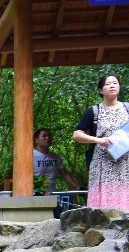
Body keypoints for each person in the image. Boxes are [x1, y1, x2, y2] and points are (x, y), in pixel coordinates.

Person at [74, 73, 129, 210]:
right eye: (107, 83)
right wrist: (98, 140)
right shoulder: (94, 111)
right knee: (102, 203)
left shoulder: (127, 108)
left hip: (125, 163)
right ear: (100, 90)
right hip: (101, 163)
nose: (112, 86)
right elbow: (77, 135)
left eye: (115, 83)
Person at [32, 129, 77, 193]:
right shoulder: (30, 157)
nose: (47, 138)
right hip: (34, 194)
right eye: (44, 136)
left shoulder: (56, 157)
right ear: (36, 140)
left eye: (49, 136)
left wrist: (78, 187)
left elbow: (65, 174)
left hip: (52, 194)